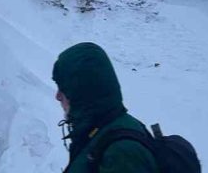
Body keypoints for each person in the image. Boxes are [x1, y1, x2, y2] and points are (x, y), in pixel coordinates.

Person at [52, 42, 158, 173]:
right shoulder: (97, 131)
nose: (57, 96)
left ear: (83, 91)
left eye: (63, 89)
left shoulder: (122, 152)